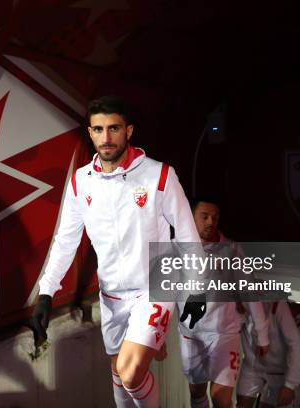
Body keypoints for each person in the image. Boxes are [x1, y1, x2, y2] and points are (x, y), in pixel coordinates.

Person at [31, 96, 204, 408]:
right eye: (98, 129)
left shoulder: (160, 175)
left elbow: (188, 236)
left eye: (113, 128)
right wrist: (46, 292)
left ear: (129, 131)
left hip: (154, 289)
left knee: (130, 374)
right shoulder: (80, 182)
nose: (106, 137)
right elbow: (66, 240)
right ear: (90, 132)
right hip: (111, 296)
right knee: (118, 376)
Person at [177, 197, 269, 408]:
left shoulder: (232, 250)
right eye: (205, 216)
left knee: (221, 397)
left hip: (224, 333)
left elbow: (249, 291)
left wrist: (262, 334)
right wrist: (157, 334)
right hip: (190, 334)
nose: (211, 222)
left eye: (215, 218)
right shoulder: (176, 249)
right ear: (191, 217)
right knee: (197, 392)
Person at [236, 299, 300, 408]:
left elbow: (295, 343)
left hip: (278, 370)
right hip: (252, 366)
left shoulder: (277, 305)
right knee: (241, 405)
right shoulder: (234, 303)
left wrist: (290, 384)